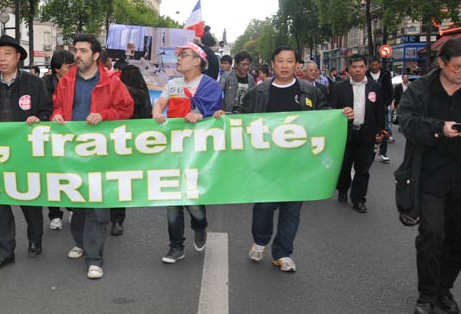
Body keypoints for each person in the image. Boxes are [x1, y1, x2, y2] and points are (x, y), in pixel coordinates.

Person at [240, 46, 329, 272]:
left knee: (292, 210)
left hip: (298, 163)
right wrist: (223, 117)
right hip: (267, 162)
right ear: (273, 64)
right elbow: (240, 119)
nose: (285, 65)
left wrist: (343, 115)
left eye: (290, 61)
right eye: (280, 61)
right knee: (264, 205)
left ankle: (282, 253)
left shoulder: (310, 91)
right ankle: (260, 241)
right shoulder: (257, 92)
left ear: (297, 64)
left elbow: (325, 116)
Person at [52, 33, 133, 279]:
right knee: (75, 201)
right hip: (72, 152)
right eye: (76, 50)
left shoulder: (112, 81)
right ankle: (81, 241)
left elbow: (126, 108)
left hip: (101, 153)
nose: (77, 54)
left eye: (83, 51)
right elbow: (57, 105)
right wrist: (55, 115)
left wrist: (104, 115)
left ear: (96, 55)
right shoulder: (66, 81)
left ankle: (95, 258)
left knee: (97, 205)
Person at [397, 38, 461, 314]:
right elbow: (406, 121)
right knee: (432, 235)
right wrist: (438, 129)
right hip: (429, 176)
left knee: (457, 238)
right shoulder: (421, 89)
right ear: (442, 63)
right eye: (457, 67)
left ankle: (443, 289)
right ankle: (426, 295)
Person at [0, 35, 53, 272]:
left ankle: (35, 238)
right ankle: (4, 251)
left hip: (26, 153)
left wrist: (38, 119)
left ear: (18, 56)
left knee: (29, 201)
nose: (1, 59)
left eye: (7, 54)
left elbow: (46, 111)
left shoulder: (34, 83)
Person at [154, 42, 222, 263]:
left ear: (197, 61)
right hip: (173, 151)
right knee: (173, 200)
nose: (179, 58)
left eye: (184, 55)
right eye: (180, 54)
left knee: (193, 201)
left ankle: (200, 225)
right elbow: (160, 103)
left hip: (197, 154)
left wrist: (200, 114)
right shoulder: (172, 84)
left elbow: (212, 111)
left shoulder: (210, 85)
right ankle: (176, 247)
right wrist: (156, 111)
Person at [329, 54, 385, 213]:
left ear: (366, 68)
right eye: (354, 67)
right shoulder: (339, 87)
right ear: (349, 69)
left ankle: (358, 199)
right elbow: (331, 110)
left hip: (367, 134)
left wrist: (381, 131)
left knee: (363, 169)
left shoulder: (375, 87)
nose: (358, 70)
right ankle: (342, 189)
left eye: (361, 67)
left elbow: (379, 111)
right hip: (345, 134)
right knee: (344, 166)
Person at [107, 64, 152, 236]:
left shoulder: (121, 89)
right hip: (130, 143)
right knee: (120, 182)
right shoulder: (142, 94)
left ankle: (109, 216)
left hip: (114, 140)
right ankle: (117, 219)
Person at [42, 49, 75, 231]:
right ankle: (54, 214)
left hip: (70, 136)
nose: (72, 69)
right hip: (50, 137)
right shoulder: (44, 84)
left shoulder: (77, 82)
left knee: (70, 174)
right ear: (56, 68)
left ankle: (72, 207)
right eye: (68, 66)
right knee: (52, 177)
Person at [367, 56, 394, 161]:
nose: (374, 67)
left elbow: (390, 90)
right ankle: (369, 151)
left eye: (376, 65)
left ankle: (383, 153)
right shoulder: (366, 74)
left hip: (382, 106)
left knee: (383, 128)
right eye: (372, 65)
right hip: (369, 105)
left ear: (379, 64)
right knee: (369, 128)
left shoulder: (386, 74)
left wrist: (386, 103)